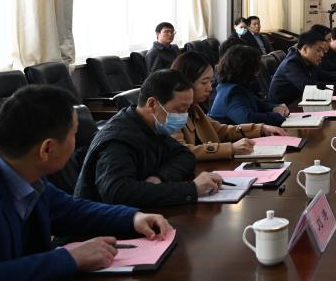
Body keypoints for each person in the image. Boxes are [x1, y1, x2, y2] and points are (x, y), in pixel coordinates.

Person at [0, 85, 173, 280]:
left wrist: (132, 218)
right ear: (47, 149)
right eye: (73, 135)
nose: (77, 142)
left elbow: (69, 210)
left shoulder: (21, 169)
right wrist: (70, 259)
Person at [75, 70, 225, 208]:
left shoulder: (151, 126)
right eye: (179, 110)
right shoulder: (118, 140)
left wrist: (160, 177)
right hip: (102, 223)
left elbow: (185, 155)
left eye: (187, 109)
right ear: (152, 104)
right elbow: (118, 192)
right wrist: (191, 189)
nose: (184, 116)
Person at [170, 52, 286, 161]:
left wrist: (261, 128)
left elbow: (221, 131)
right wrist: (231, 148)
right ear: (186, 83)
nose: (210, 88)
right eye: (204, 82)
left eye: (211, 82)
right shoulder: (171, 112)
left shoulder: (194, 107)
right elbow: (182, 150)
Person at [269, 29, 336, 104]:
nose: (322, 55)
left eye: (322, 51)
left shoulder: (306, 60)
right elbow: (307, 86)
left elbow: (323, 75)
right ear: (305, 49)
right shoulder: (291, 63)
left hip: (301, 103)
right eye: (318, 50)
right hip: (284, 109)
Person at [208, 45, 290, 126]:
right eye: (256, 67)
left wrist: (275, 107)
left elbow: (258, 103)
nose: (257, 72)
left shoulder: (235, 86)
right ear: (246, 68)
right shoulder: (232, 92)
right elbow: (247, 119)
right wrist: (277, 116)